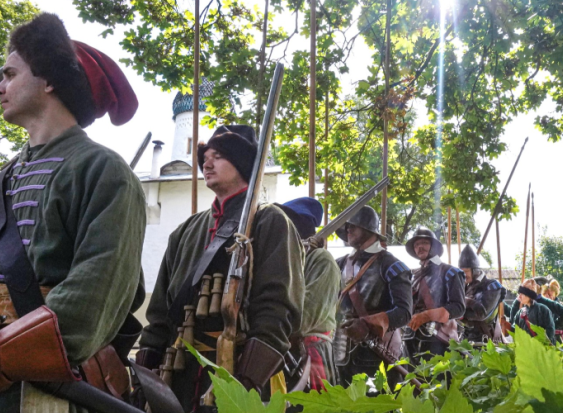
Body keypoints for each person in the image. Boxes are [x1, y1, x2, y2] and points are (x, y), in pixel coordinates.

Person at [0, 13, 145, 411]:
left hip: (30, 388)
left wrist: (1, 358)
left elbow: (98, 288)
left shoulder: (104, 171)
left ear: (49, 81)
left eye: (9, 74)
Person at [138, 125, 304, 410]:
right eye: (206, 156)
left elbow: (277, 310)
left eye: (219, 156)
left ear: (241, 164)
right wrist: (146, 371)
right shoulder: (185, 231)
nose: (207, 162)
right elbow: (161, 313)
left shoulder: (270, 222)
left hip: (243, 374)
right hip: (180, 374)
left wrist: (243, 386)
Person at [334, 206, 412, 387]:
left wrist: (366, 323)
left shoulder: (392, 265)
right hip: (339, 349)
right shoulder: (338, 263)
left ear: (368, 228)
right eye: (347, 227)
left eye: (353, 225)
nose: (348, 229)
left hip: (377, 352)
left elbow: (404, 312)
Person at [276, 197, 340, 390]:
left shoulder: (323, 261)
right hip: (284, 349)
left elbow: (306, 317)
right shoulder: (288, 263)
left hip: (309, 353)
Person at [404, 227, 465, 360]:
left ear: (433, 247)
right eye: (416, 244)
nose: (420, 247)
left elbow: (459, 308)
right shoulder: (413, 276)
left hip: (439, 340)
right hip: (411, 338)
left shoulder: (450, 272)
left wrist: (426, 315)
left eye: (424, 243)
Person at [457, 245, 505, 345]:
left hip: (486, 341)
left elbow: (482, 314)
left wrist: (466, 302)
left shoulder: (492, 286)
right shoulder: (466, 287)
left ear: (475, 270)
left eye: (465, 271)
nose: (463, 275)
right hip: (466, 340)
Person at [510, 279, 556, 345]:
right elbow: (515, 331)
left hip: (541, 349)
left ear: (529, 295)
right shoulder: (519, 313)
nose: (519, 296)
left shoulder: (543, 310)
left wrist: (540, 344)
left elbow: (550, 331)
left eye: (522, 294)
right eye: (519, 293)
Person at [541, 279, 563, 344]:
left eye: (550, 295)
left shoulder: (561, 306)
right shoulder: (538, 307)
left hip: (557, 338)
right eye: (545, 294)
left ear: (555, 294)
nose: (547, 297)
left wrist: (554, 325)